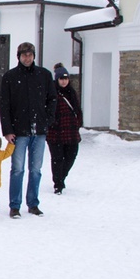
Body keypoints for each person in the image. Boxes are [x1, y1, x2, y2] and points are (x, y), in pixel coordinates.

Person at [0, 42, 57, 219]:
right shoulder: (10, 77)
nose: (27, 58)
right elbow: (4, 105)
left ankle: (33, 203)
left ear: (34, 56)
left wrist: (47, 120)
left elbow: (52, 99)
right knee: (17, 169)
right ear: (19, 56)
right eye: (24, 55)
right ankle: (14, 205)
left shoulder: (44, 75)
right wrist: (8, 130)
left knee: (36, 169)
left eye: (30, 55)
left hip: (38, 130)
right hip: (18, 131)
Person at [47, 64, 83, 195]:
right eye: (61, 78)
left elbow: (77, 109)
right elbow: (48, 110)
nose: (64, 81)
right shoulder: (52, 93)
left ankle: (61, 177)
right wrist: (52, 123)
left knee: (71, 156)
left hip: (71, 132)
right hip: (55, 132)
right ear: (57, 79)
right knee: (57, 158)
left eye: (66, 78)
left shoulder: (72, 92)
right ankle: (58, 183)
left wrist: (78, 122)